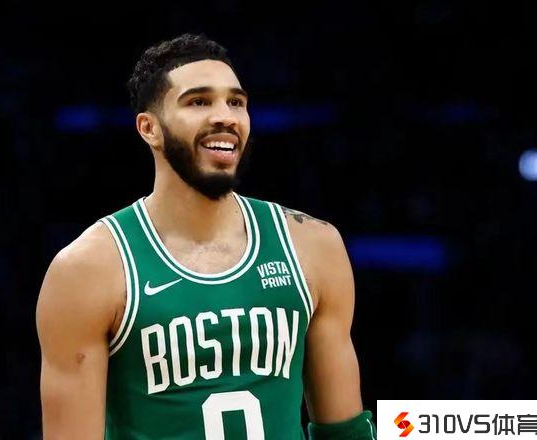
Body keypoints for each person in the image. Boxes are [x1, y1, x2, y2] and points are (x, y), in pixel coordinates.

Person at [36, 33, 376, 439]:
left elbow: (345, 431)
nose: (225, 116)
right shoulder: (88, 269)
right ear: (149, 128)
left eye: (236, 102)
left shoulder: (314, 246)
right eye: (198, 102)